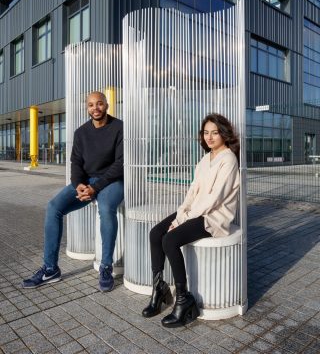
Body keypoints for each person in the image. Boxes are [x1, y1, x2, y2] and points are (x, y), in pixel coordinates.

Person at [142, 113, 240, 327]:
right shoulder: (205, 159)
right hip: (196, 212)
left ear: (224, 134)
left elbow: (214, 199)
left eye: (215, 132)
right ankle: (159, 288)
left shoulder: (229, 159)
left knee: (169, 240)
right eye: (206, 132)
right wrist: (181, 213)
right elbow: (193, 192)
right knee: (156, 233)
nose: (210, 137)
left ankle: (184, 299)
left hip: (214, 217)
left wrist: (183, 220)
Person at [22, 92, 124, 292]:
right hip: (86, 182)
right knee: (53, 207)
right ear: (87, 108)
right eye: (91, 105)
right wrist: (78, 184)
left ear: (107, 105)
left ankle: (105, 267)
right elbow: (75, 162)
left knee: (105, 208)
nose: (95, 108)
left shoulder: (119, 127)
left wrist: (96, 188)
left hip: (112, 181)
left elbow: (120, 164)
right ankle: (50, 269)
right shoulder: (81, 132)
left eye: (99, 104)